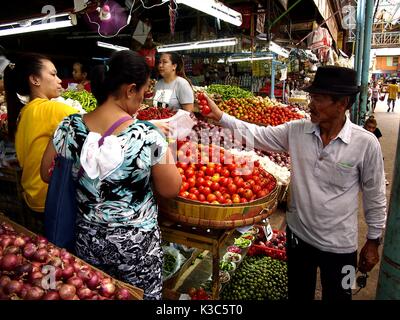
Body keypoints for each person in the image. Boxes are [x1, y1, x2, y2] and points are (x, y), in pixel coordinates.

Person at [203, 66, 387, 301]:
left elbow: (375, 195)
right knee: (298, 294)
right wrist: (221, 117)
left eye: (318, 99)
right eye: (311, 97)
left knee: (341, 295)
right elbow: (258, 134)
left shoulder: (366, 143)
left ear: (342, 104)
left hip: (341, 246)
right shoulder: (297, 131)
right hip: (298, 238)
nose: (310, 104)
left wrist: (373, 242)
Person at [40, 50, 182, 300]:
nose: (143, 99)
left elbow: (46, 173)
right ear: (130, 90)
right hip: (136, 248)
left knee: (95, 293)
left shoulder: (69, 126)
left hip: (87, 240)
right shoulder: (148, 136)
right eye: (143, 92)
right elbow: (171, 188)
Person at [3, 53, 79, 231]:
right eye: (53, 74)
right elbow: (97, 125)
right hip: (50, 197)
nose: (59, 80)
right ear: (35, 79)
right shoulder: (52, 108)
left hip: (32, 195)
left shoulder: (24, 112)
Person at [364, 116, 389, 186]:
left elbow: (377, 143)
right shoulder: (362, 131)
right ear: (365, 126)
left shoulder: (376, 131)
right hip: (362, 151)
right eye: (369, 127)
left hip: (372, 150)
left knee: (379, 161)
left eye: (373, 128)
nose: (371, 130)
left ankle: (382, 178)